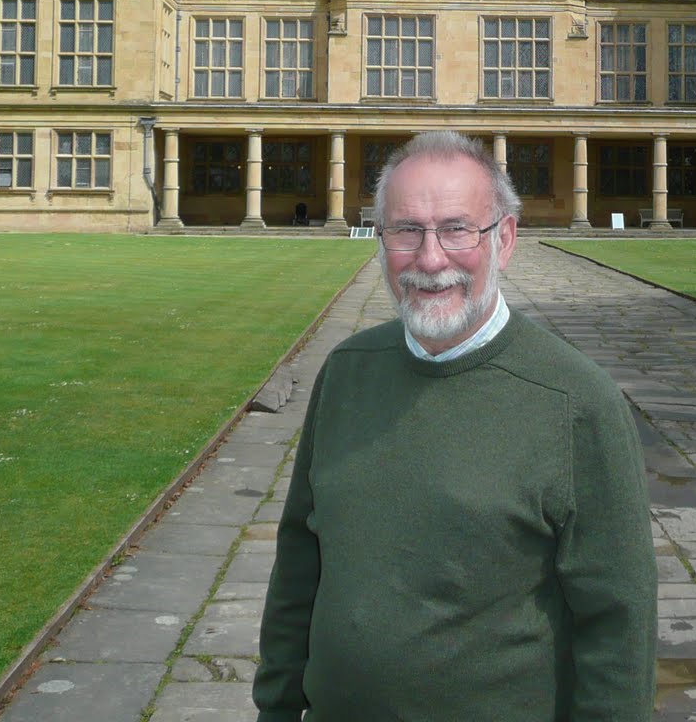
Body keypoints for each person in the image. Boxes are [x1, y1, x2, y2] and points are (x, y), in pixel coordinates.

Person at [253, 130, 656, 722]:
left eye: (457, 229)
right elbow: (298, 563)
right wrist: (276, 709)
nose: (430, 258)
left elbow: (618, 621)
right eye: (407, 230)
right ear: (380, 237)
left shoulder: (578, 401)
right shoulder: (346, 371)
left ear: (504, 239)